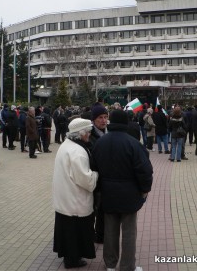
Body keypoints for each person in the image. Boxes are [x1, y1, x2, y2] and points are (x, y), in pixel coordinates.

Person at [92, 110, 153, 271]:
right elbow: (145, 170)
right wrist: (145, 189)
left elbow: (94, 168)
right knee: (129, 232)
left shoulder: (100, 142)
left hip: (108, 193)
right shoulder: (133, 143)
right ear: (126, 123)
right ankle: (127, 266)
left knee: (109, 230)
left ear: (111, 121)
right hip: (129, 194)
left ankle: (110, 264)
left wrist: (98, 190)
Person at [53, 118, 98, 269]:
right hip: (75, 200)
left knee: (67, 232)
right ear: (81, 133)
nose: (90, 135)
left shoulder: (66, 145)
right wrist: (96, 174)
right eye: (89, 132)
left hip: (65, 198)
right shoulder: (78, 152)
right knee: (75, 233)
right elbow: (85, 180)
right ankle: (73, 259)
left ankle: (69, 257)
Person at [89, 102, 109, 244]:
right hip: (93, 179)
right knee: (91, 210)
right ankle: (89, 236)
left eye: (105, 117)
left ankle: (100, 235)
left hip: (106, 179)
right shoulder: (89, 136)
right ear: (93, 120)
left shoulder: (109, 133)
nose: (103, 120)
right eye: (100, 117)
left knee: (103, 210)